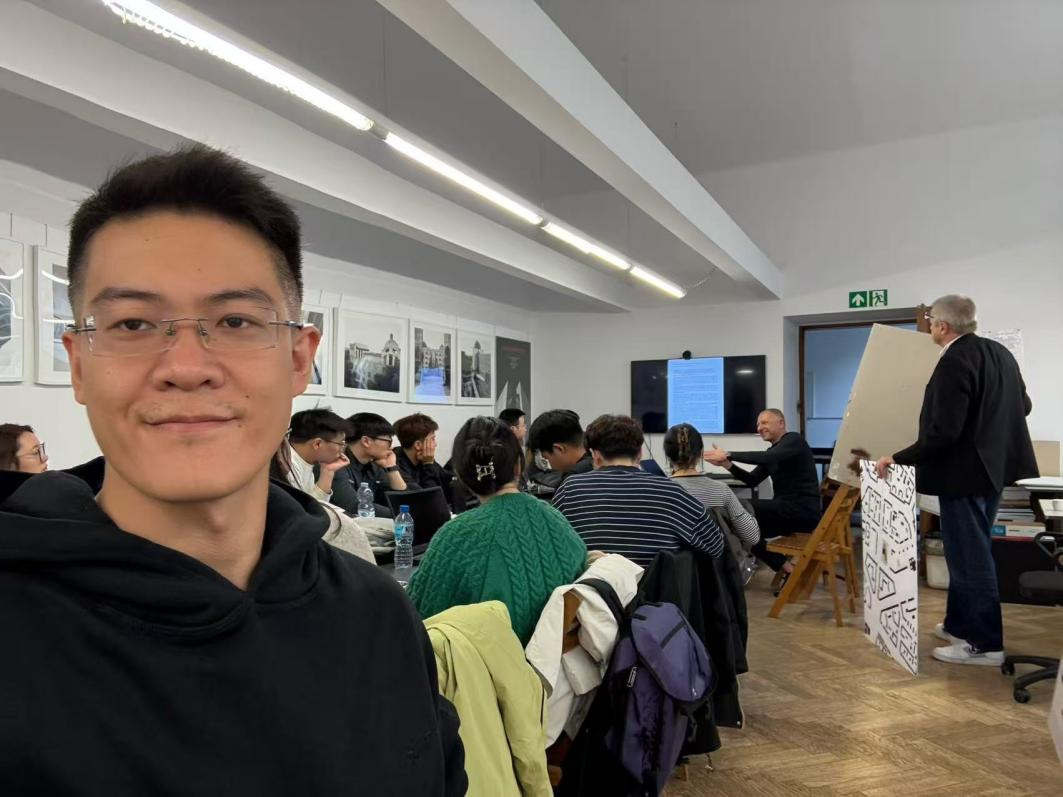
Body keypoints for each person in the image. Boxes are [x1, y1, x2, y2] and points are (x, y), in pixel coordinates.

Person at [0, 145, 465, 795]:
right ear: (79, 364)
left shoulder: (378, 616)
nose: (186, 366)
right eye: (133, 323)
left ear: (298, 358)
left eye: (236, 320)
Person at [876, 295, 1037, 667]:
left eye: (931, 319)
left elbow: (944, 432)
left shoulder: (953, 360)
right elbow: (1024, 406)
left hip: (964, 476)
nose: (930, 325)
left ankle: (984, 644)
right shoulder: (1000, 354)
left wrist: (897, 458)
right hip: (993, 471)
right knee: (966, 552)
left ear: (942, 326)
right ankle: (958, 625)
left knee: (969, 558)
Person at [407, 416, 587, 645]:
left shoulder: (455, 536)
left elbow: (417, 619)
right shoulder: (556, 521)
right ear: (519, 466)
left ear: (460, 475)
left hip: (490, 665)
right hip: (553, 659)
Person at [552, 414, 725, 567]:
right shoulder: (672, 492)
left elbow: (552, 547)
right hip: (657, 592)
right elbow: (715, 547)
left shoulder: (569, 489)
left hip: (591, 591)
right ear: (640, 453)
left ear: (595, 455)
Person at [703, 409, 820, 586]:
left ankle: (741, 569)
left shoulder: (794, 441)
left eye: (764, 423)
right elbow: (752, 480)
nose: (759, 428)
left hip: (802, 512)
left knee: (736, 511)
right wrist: (727, 464)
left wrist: (728, 454)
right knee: (741, 527)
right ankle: (787, 568)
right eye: (758, 424)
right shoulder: (773, 453)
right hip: (785, 511)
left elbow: (768, 457)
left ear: (781, 423)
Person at [664, 423, 761, 551]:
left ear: (667, 455)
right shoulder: (721, 491)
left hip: (672, 562)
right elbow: (752, 537)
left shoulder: (658, 491)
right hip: (715, 562)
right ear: (700, 453)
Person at [333, 412, 407, 517]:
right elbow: (353, 506)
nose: (391, 447)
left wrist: (392, 468)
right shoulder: (336, 463)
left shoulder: (375, 466)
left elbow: (401, 502)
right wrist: (402, 514)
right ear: (366, 441)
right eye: (389, 441)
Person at [270, 408, 351, 502]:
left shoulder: (304, 460)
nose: (342, 450)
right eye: (341, 444)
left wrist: (328, 471)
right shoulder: (283, 467)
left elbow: (314, 506)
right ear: (317, 444)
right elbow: (304, 509)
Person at [525, 409, 592, 497]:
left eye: (545, 458)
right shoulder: (602, 462)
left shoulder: (570, 483)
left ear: (558, 449)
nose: (550, 466)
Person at [393, 413, 453, 492]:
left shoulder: (424, 458)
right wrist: (428, 465)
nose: (435, 444)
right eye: (433, 439)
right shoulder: (397, 467)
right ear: (418, 445)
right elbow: (430, 496)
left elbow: (448, 481)